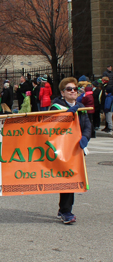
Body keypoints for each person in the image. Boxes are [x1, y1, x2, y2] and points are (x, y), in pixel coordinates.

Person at [50, 77, 91, 224]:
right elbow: (53, 126)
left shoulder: (81, 106)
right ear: (63, 92)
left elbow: (87, 125)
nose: (73, 91)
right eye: (69, 89)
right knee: (67, 178)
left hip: (77, 148)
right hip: (62, 149)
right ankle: (66, 211)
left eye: (75, 89)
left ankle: (64, 209)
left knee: (71, 179)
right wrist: (68, 115)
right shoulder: (56, 107)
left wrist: (85, 137)